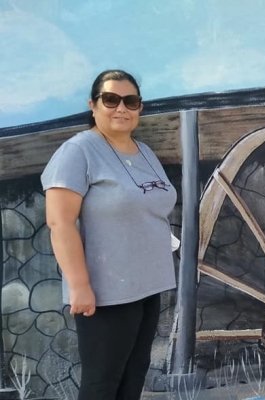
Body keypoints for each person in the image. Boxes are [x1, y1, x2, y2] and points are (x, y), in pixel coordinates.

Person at [42, 70, 177, 400]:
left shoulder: (144, 151)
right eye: (111, 99)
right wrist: (80, 286)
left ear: (140, 107)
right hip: (106, 293)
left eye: (130, 101)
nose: (121, 108)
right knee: (102, 384)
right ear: (93, 105)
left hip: (148, 285)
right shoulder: (78, 152)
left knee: (134, 376)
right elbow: (60, 223)